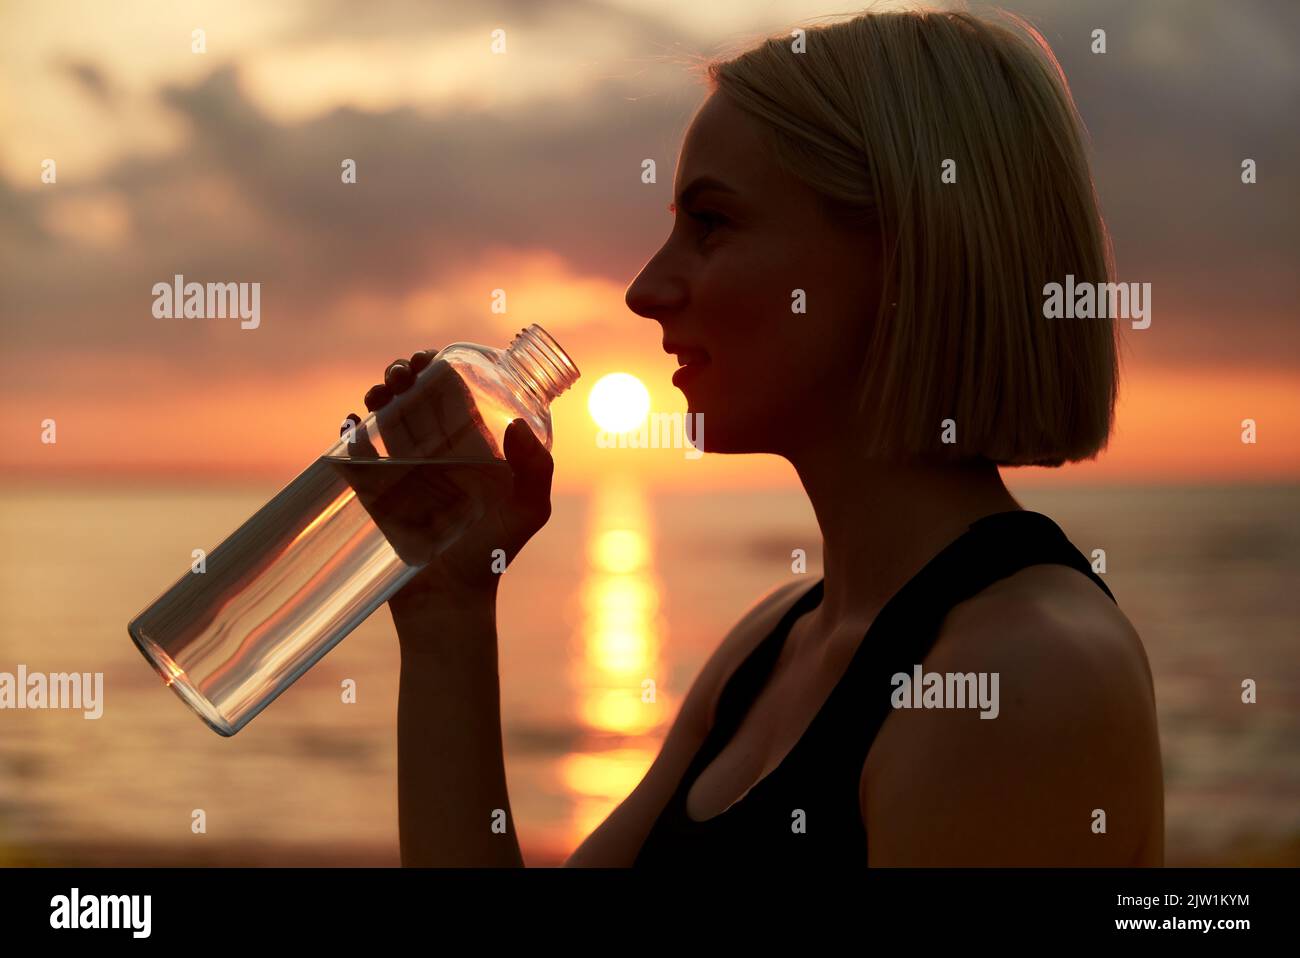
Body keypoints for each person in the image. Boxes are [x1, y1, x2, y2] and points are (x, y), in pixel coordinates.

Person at [357, 7, 1163, 867]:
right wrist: (448, 611)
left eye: (711, 222)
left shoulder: (1022, 677)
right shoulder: (772, 646)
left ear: (905, 252)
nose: (644, 289)